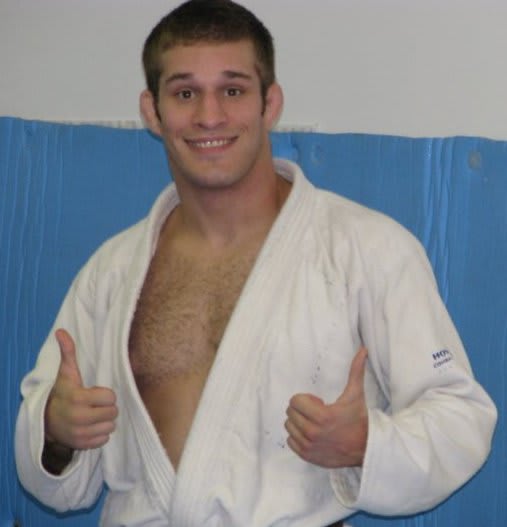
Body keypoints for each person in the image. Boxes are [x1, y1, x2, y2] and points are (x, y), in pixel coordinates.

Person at [15, 1, 497, 526]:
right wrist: (57, 434)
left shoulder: (366, 249)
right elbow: (56, 471)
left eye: (233, 90)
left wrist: (367, 445)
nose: (209, 116)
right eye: (184, 93)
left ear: (270, 104)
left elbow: (460, 419)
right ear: (152, 112)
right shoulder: (111, 272)